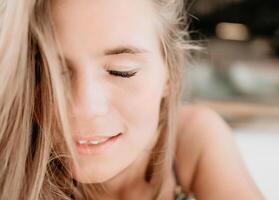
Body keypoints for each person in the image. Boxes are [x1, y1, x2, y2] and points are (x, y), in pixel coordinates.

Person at [0, 0, 264, 199]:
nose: (84, 109)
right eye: (49, 75)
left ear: (170, 75)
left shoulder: (191, 138)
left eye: (121, 71)